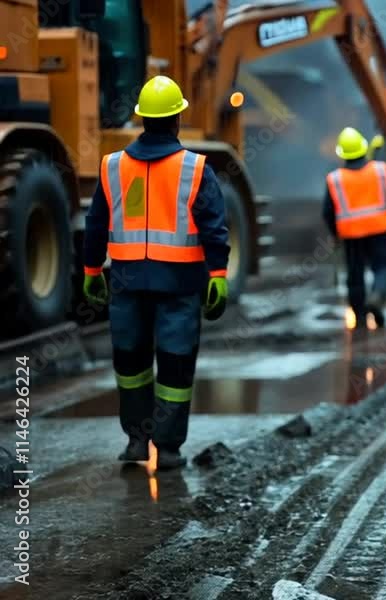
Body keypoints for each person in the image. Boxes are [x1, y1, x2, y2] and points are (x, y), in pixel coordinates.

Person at [82, 75, 229, 470]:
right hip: (180, 286)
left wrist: (92, 269)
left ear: (142, 119)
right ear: (177, 119)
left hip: (127, 284)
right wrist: (218, 275)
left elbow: (96, 222)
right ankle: (166, 450)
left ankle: (135, 442)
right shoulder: (196, 169)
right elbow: (215, 227)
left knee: (131, 365)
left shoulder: (112, 166)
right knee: (175, 366)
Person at [322, 127, 386, 329]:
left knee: (355, 276)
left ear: (342, 154)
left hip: (350, 235)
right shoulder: (381, 170)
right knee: (384, 267)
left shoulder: (335, 178)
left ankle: (360, 319)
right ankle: (377, 297)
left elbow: (328, 211)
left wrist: (335, 233)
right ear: (364, 149)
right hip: (380, 230)